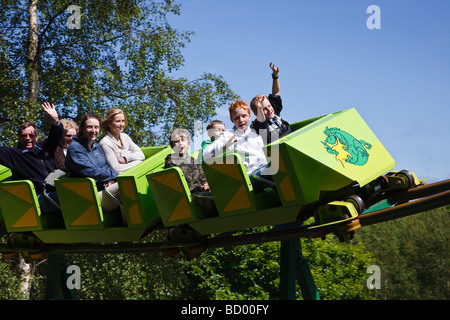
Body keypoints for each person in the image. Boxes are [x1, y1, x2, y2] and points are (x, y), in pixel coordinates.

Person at [0, 102, 64, 212]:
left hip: (55, 190)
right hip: (36, 199)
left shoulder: (45, 148)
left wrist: (55, 121)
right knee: (66, 197)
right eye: (24, 135)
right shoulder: (14, 155)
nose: (28, 138)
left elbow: (56, 136)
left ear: (36, 136)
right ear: (19, 138)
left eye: (31, 135)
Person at [203, 100, 274, 193]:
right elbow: (205, 155)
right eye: (237, 118)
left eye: (244, 116)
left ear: (249, 116)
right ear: (232, 120)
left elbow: (263, 159)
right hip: (245, 178)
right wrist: (224, 147)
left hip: (260, 171)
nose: (241, 120)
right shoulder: (228, 135)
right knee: (272, 170)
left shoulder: (256, 136)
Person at [65, 113, 122, 214]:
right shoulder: (75, 148)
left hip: (102, 190)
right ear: (82, 129)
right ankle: (130, 226)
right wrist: (116, 175)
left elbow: (105, 167)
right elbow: (92, 172)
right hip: (87, 199)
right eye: (89, 127)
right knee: (124, 186)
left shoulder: (96, 147)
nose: (93, 130)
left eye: (96, 127)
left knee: (127, 186)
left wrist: (111, 180)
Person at [250, 62, 291, 145]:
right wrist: (260, 108)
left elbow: (275, 93)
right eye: (264, 109)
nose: (269, 110)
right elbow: (261, 123)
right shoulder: (258, 126)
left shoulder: (274, 115)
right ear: (256, 113)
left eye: (269, 106)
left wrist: (275, 76)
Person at [99, 108, 145, 174]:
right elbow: (116, 168)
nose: (121, 124)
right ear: (109, 123)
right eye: (118, 121)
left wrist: (126, 159)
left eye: (123, 121)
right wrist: (139, 163)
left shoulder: (125, 137)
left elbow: (141, 155)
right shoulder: (105, 143)